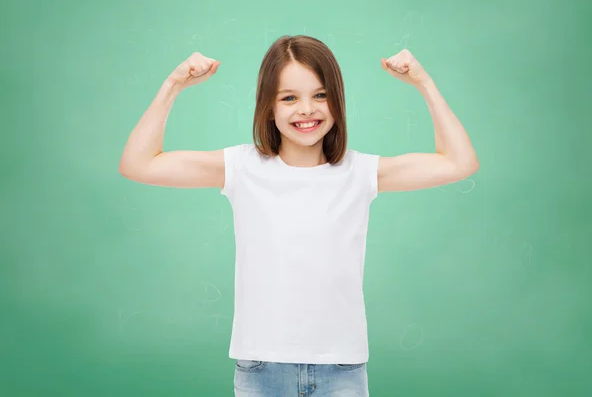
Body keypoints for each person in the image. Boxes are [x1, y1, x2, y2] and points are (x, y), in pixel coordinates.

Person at [118, 35, 479, 396]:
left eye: (320, 95)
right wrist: (173, 85)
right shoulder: (242, 167)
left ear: (337, 102)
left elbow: (459, 162)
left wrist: (423, 83)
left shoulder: (361, 172)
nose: (306, 109)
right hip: (261, 369)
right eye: (289, 97)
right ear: (268, 107)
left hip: (342, 370)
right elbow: (138, 163)